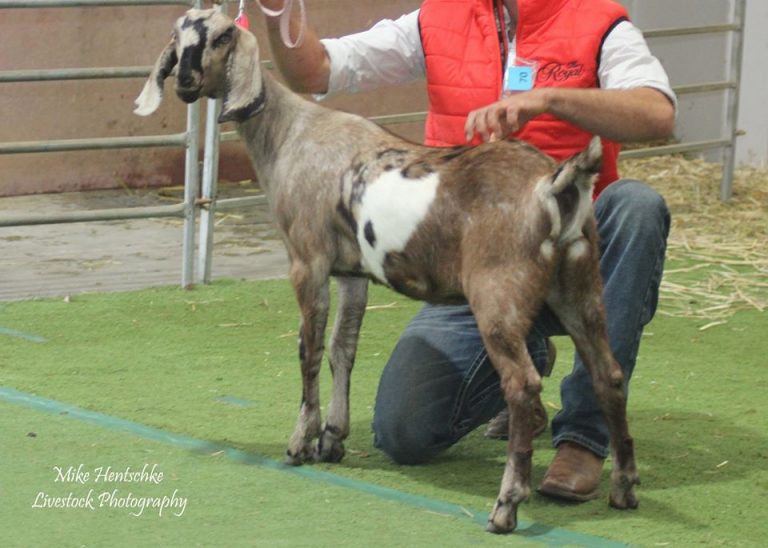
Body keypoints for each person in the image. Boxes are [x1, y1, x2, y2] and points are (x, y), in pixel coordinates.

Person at [259, 0, 675, 502]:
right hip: (474, 263)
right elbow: (314, 69)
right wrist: (277, 8)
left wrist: (549, 99)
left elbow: (657, 114)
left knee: (637, 206)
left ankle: (584, 436)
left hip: (569, 246)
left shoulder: (598, 21)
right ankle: (524, 365)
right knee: (403, 433)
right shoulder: (437, 18)